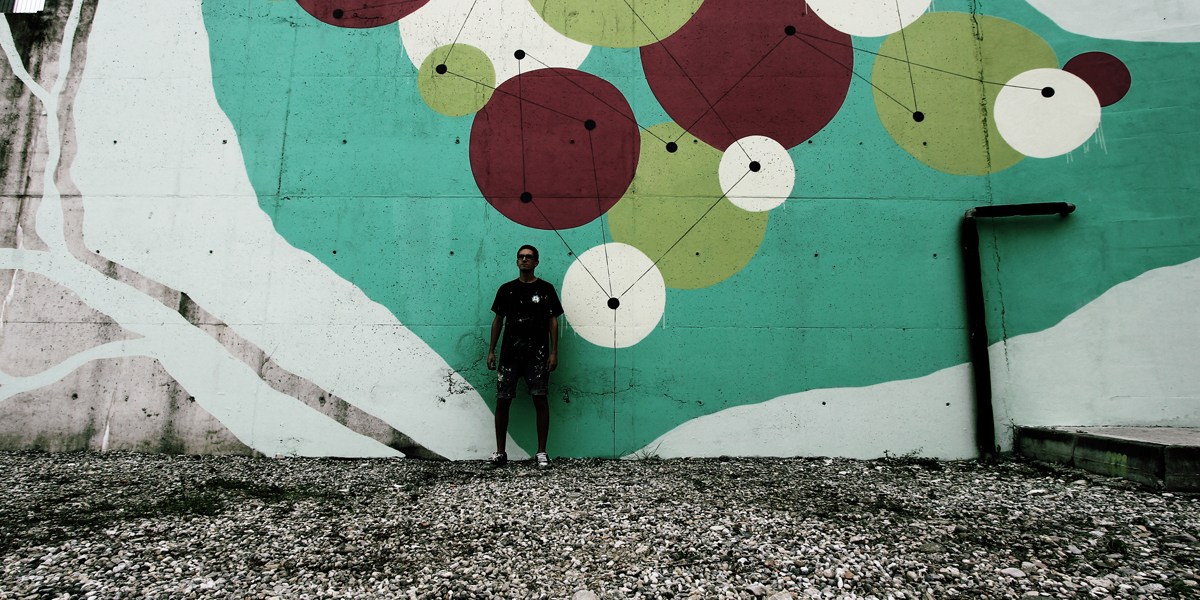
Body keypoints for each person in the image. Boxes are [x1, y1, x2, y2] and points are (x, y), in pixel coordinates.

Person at [487, 244, 563, 467]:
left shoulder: (546, 289)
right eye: (521, 256)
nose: (524, 260)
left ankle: (541, 452)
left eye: (529, 257)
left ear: (536, 262)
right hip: (509, 355)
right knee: (503, 401)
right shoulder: (506, 289)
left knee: (540, 399)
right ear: (516, 261)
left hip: (537, 356)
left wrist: (554, 352)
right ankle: (500, 453)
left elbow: (553, 321)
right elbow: (498, 320)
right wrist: (491, 350)